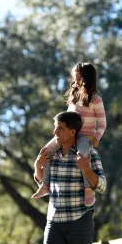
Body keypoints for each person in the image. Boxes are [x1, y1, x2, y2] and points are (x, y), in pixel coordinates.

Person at [21, 111, 106, 244]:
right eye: (55, 127)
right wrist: (38, 167)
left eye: (59, 128)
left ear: (72, 131)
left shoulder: (88, 154)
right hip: (55, 220)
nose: (55, 132)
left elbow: (102, 185)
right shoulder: (52, 153)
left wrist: (86, 169)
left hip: (80, 219)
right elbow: (42, 181)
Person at [31, 62, 107, 206]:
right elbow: (68, 118)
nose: (76, 82)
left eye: (79, 79)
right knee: (46, 151)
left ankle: (88, 189)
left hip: (85, 136)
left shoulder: (96, 100)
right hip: (69, 134)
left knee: (83, 156)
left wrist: (96, 138)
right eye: (75, 79)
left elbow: (102, 123)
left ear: (87, 79)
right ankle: (45, 184)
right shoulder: (74, 97)